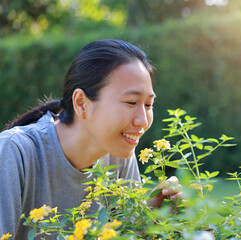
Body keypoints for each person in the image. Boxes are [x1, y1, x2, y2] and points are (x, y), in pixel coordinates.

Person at [0, 39, 181, 239]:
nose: (143, 120)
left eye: (148, 105)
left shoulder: (118, 153)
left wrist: (150, 216)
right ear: (81, 103)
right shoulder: (14, 152)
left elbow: (125, 234)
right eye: (131, 102)